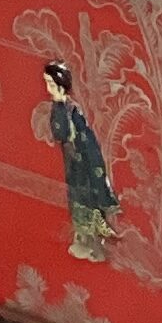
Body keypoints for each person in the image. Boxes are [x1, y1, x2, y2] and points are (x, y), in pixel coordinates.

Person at [39, 61, 118, 261]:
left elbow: (70, 134)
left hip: (83, 162)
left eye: (49, 83)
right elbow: (59, 134)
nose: (47, 88)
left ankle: (96, 247)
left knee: (87, 201)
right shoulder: (60, 107)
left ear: (59, 85)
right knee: (76, 199)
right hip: (72, 162)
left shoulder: (72, 109)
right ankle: (84, 242)